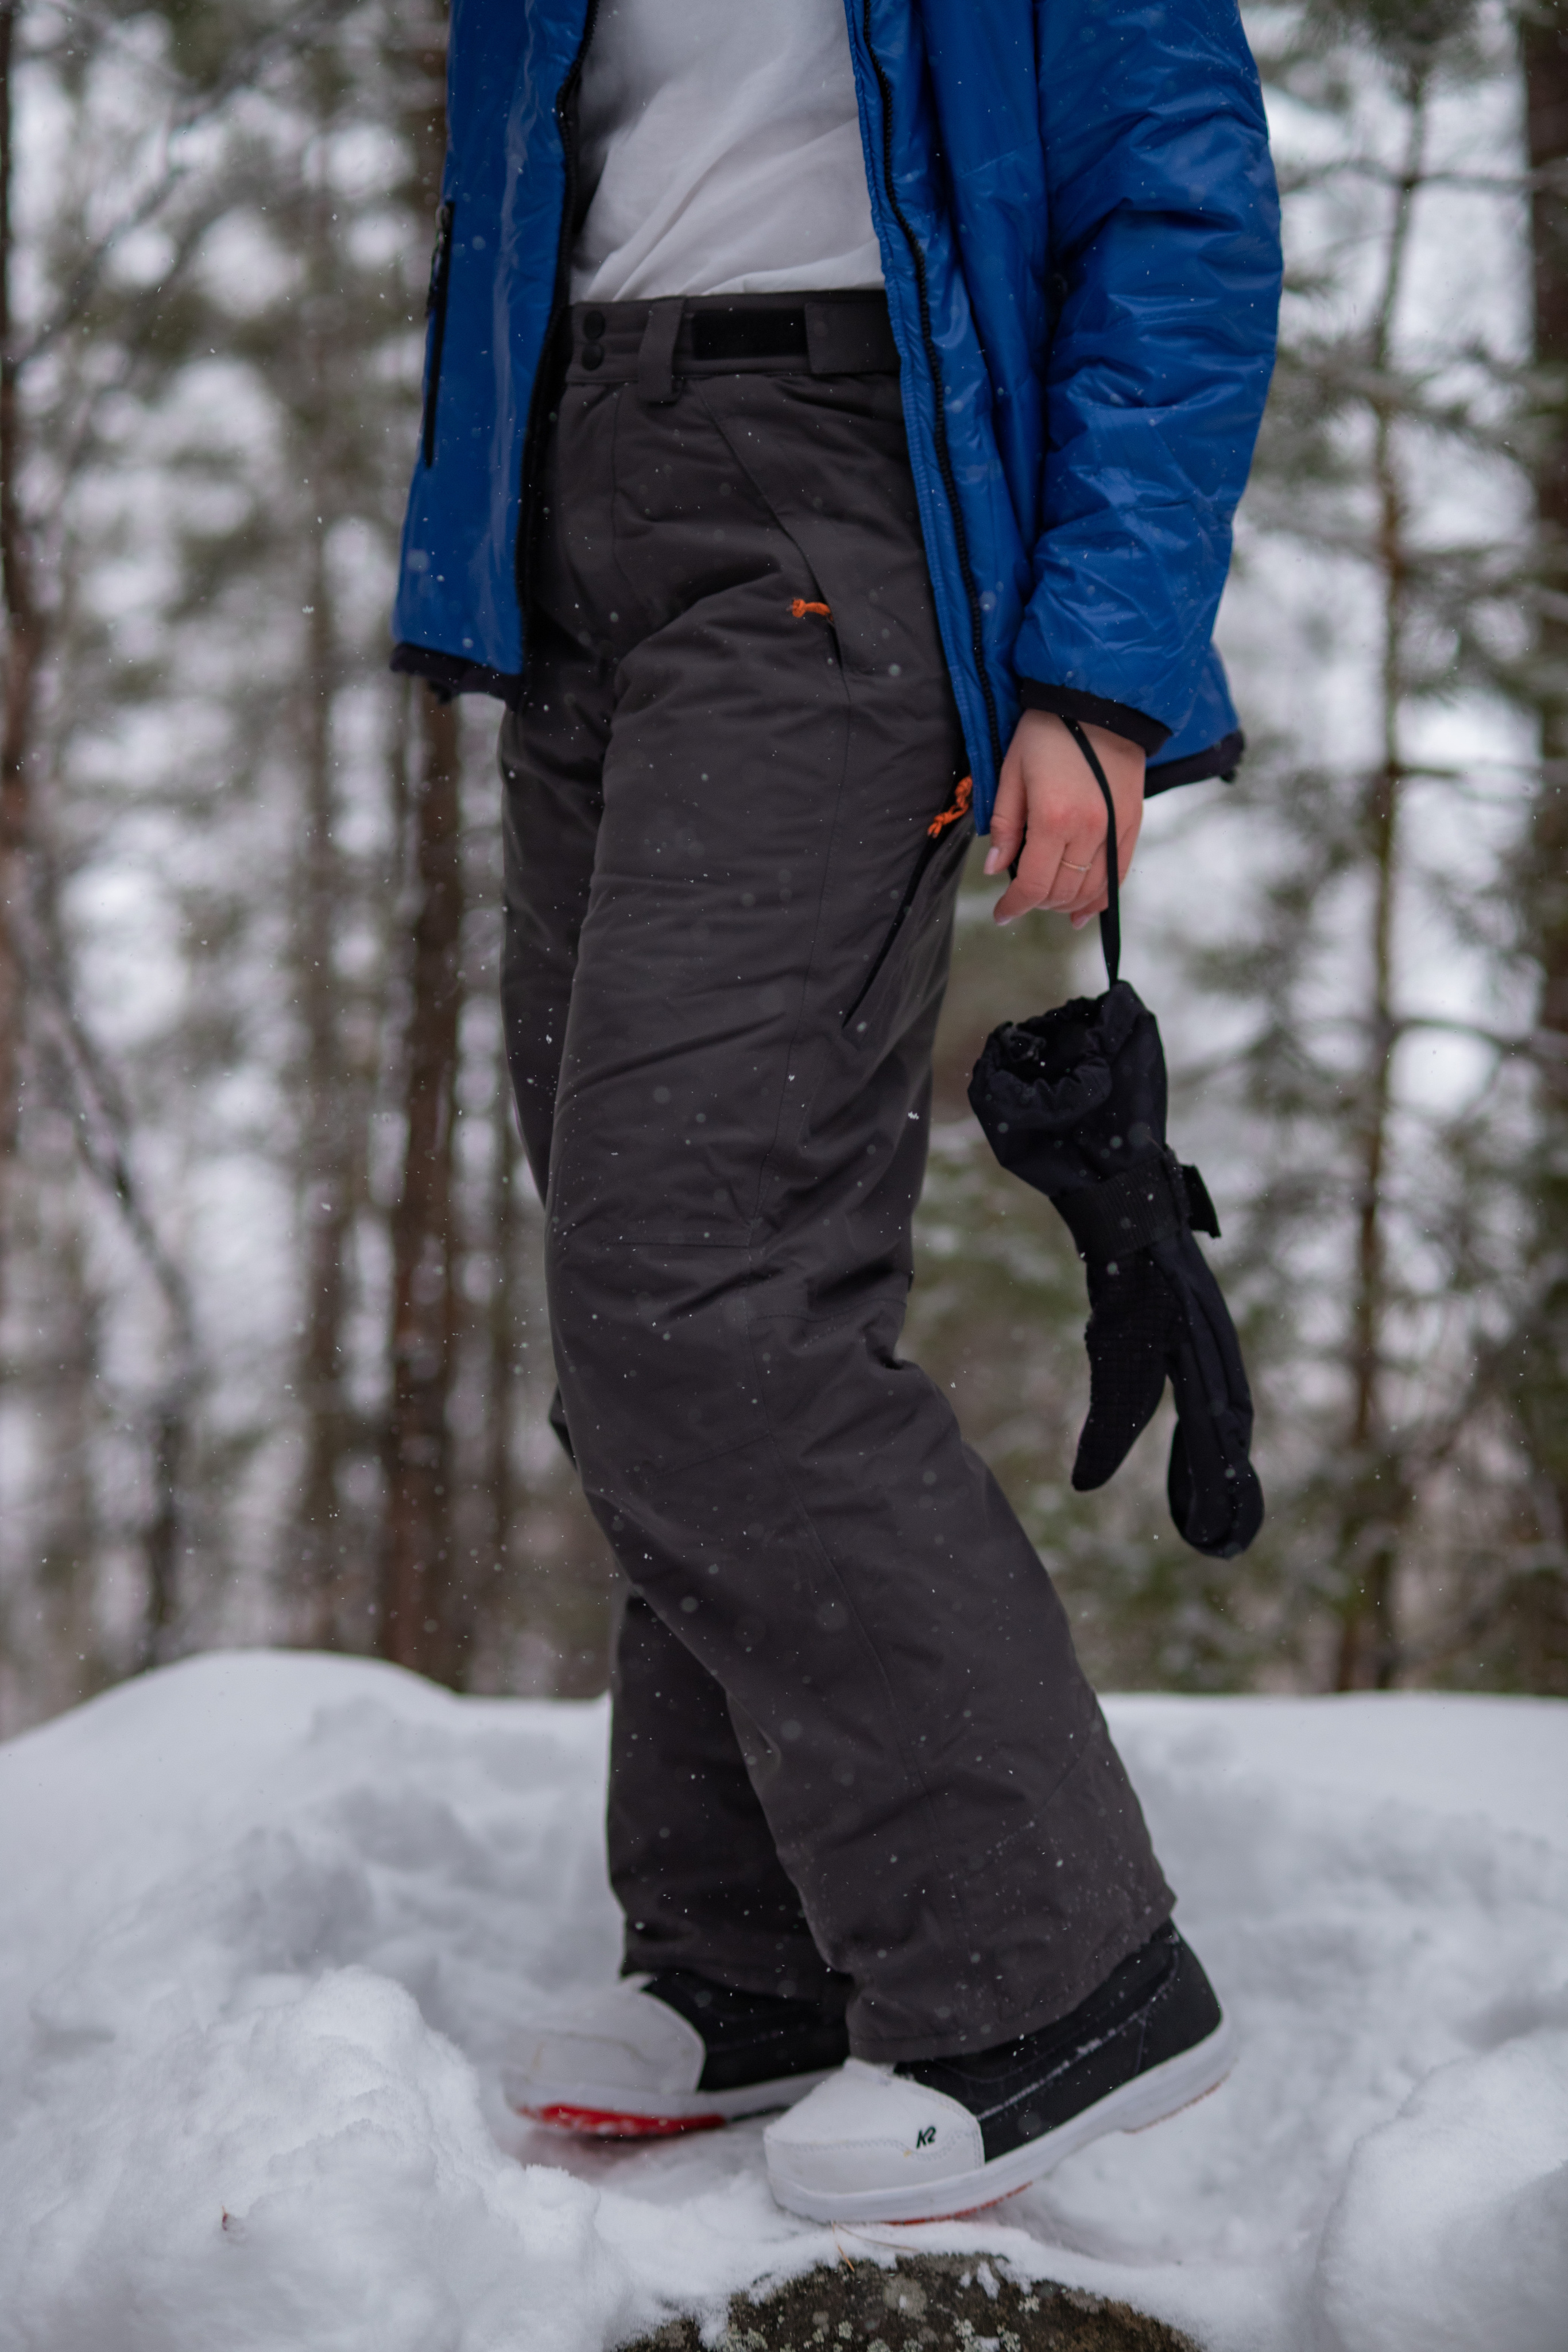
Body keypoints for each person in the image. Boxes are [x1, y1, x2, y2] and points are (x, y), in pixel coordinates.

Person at [392, 0, 1280, 2223]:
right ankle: (755, 1945)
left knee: (689, 1280)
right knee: (647, 1291)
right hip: (571, 489)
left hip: (847, 473)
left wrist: (1099, 668)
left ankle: (1053, 1972)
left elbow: (1175, 199)